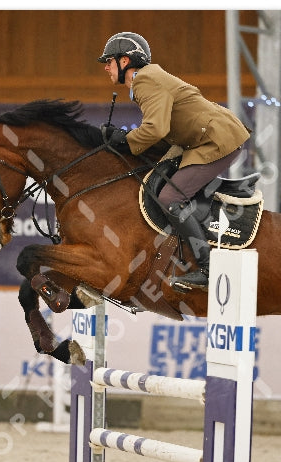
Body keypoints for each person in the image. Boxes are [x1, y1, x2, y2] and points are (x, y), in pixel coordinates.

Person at [98, 31, 250, 291]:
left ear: (125, 61)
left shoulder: (145, 80)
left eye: (109, 62)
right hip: (202, 139)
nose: (106, 68)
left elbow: (155, 129)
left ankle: (207, 267)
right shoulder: (146, 80)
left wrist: (123, 140)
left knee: (170, 197)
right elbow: (162, 131)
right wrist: (124, 141)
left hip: (215, 140)